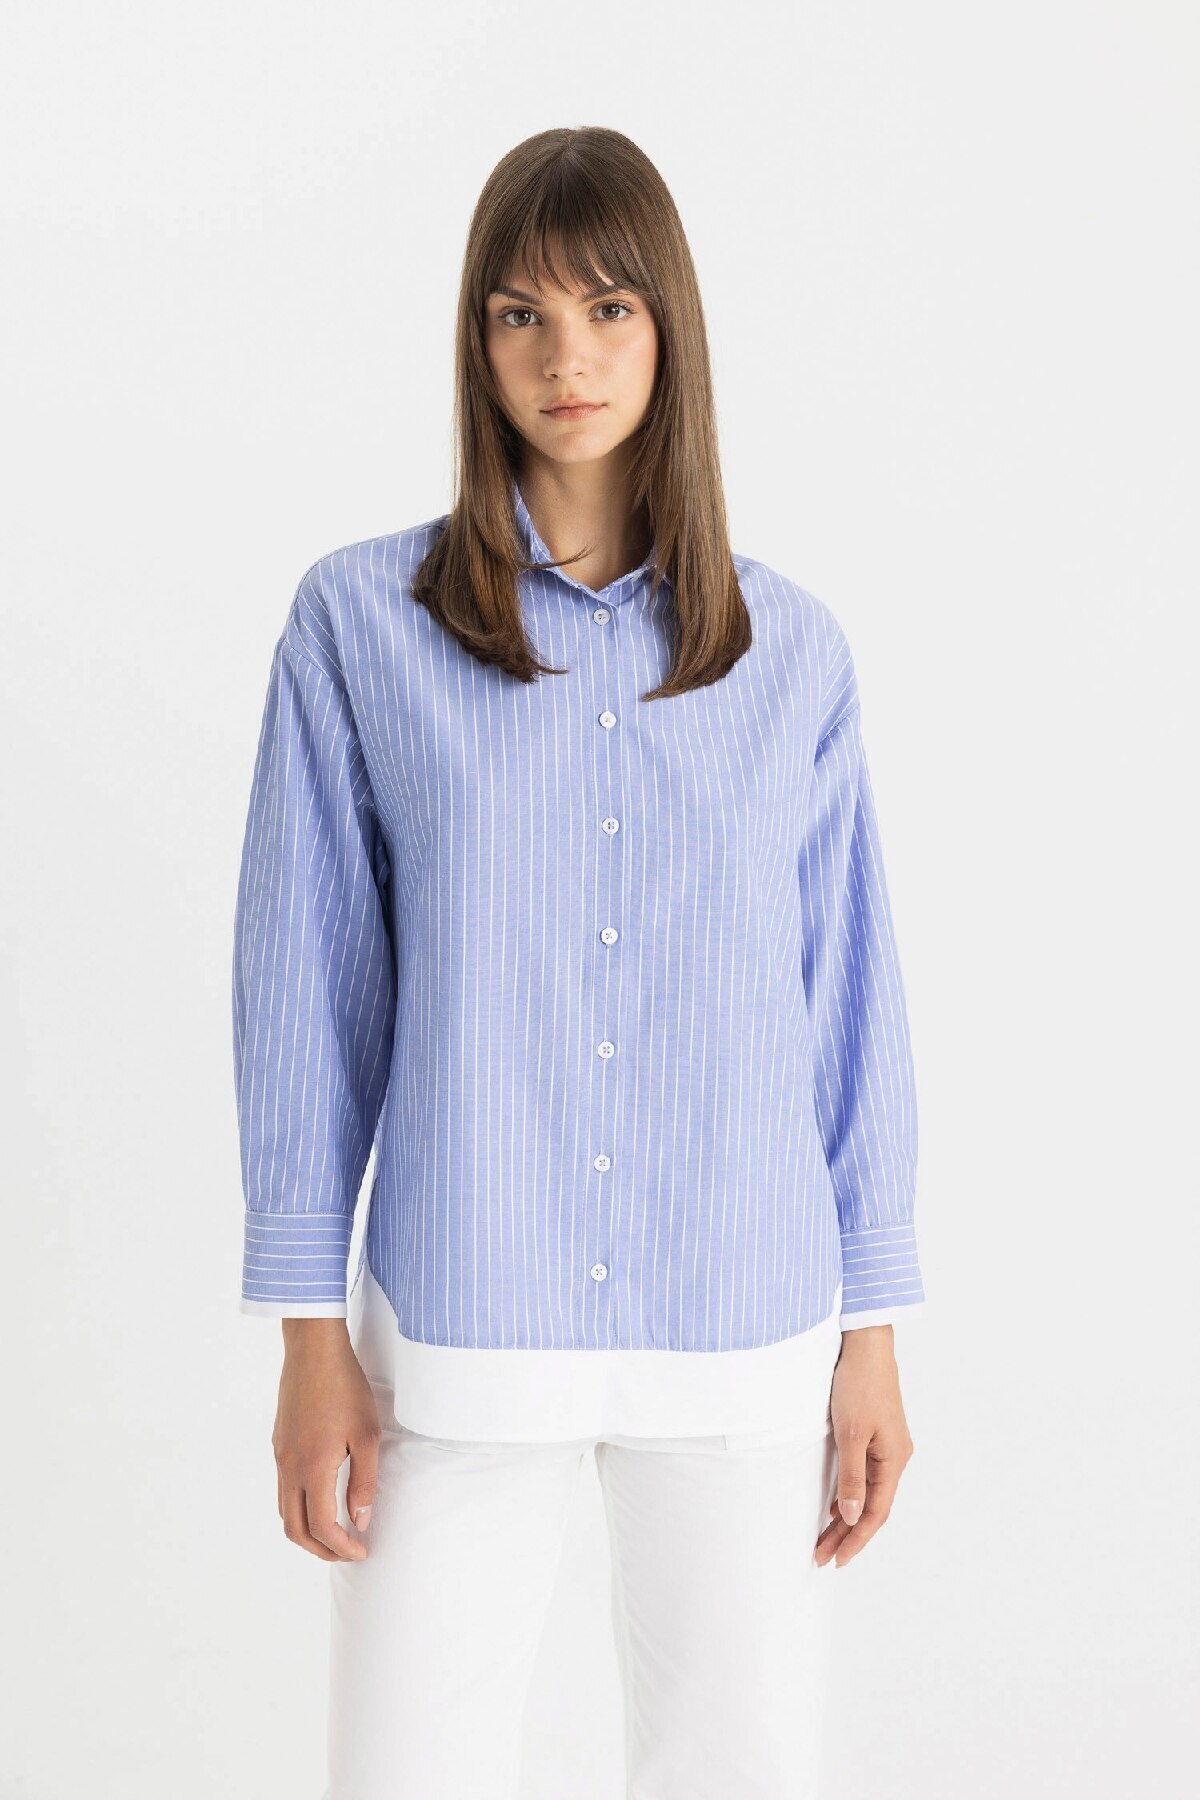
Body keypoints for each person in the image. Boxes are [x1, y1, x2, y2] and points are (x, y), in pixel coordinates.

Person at [232, 125, 926, 1800]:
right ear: (474, 342)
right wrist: (308, 1337)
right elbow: (304, 994)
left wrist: (877, 1331)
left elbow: (847, 1001)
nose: (569, 358)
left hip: (744, 1323)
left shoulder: (790, 651)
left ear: (670, 330)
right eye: (522, 314)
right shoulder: (360, 627)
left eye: (611, 309)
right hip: (463, 1322)